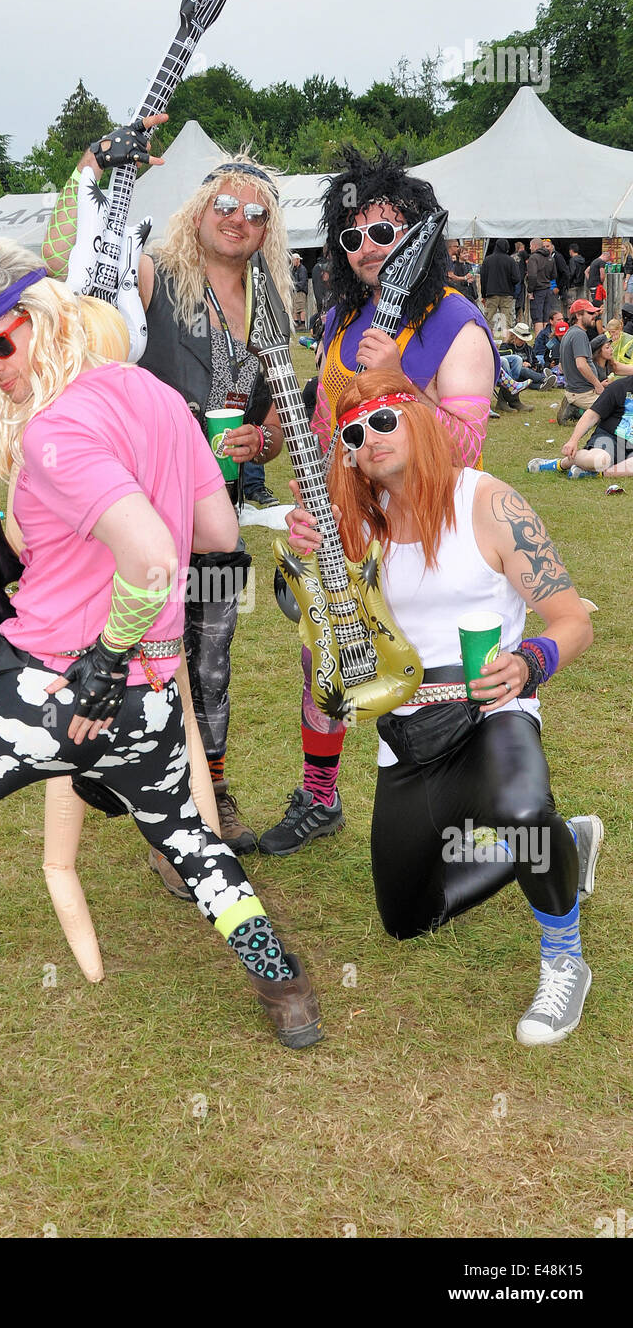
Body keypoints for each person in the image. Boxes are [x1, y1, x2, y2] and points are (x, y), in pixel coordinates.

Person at [0, 239, 323, 1108]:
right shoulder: (158, 400)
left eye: (1, 345)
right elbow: (217, 536)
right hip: (144, 705)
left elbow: (150, 555)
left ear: (45, 320)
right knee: (192, 845)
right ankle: (287, 989)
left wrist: (102, 663)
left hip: (44, 691)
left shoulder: (59, 429)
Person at [286, 365, 601, 1045]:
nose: (369, 438)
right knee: (406, 916)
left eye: (383, 419)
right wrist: (312, 565)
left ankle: (564, 957)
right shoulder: (356, 527)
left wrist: (529, 662)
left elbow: (573, 621)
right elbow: (328, 636)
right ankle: (564, 841)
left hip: (493, 713)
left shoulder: (488, 503)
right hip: (408, 734)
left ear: (419, 418)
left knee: (520, 813)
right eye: (352, 432)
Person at [45, 116, 292, 856]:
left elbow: (277, 418)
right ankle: (164, 808)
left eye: (257, 213)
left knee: (212, 660)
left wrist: (264, 440)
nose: (239, 219)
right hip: (141, 510)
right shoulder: (152, 273)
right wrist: (90, 168)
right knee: (150, 658)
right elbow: (69, 261)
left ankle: (211, 786)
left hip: (216, 514)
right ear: (198, 210)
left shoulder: (276, 303)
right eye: (226, 203)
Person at [259, 145, 499, 856]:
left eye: (385, 232)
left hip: (433, 534)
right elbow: (328, 427)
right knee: (325, 659)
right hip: (350, 535)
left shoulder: (454, 323)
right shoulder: (340, 321)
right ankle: (320, 796)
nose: (367, 248)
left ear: (419, 235)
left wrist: (402, 379)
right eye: (352, 235)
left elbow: (463, 447)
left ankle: (496, 821)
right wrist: (313, 481)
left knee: (435, 687)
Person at [528, 372, 633, 483]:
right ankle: (561, 464)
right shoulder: (620, 387)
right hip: (610, 440)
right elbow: (592, 415)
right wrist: (573, 440)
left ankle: (598, 474)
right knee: (599, 460)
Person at [558, 299, 604, 423]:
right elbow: (581, 365)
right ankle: (577, 409)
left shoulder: (569, 333)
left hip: (577, 390)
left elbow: (561, 367)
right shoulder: (579, 335)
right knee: (617, 413)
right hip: (583, 393)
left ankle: (574, 404)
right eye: (590, 313)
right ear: (578, 315)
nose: (594, 316)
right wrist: (598, 385)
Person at [479, 238, 518, 329]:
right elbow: (516, 278)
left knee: (488, 319)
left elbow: (483, 279)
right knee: (507, 321)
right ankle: (506, 341)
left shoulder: (487, 260)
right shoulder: (510, 261)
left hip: (491, 294)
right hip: (507, 294)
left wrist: (484, 295)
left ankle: (488, 340)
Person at [526, 238, 555, 330]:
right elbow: (554, 275)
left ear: (535, 246)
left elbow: (532, 276)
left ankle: (538, 341)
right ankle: (546, 340)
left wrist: (530, 290)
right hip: (548, 289)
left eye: (530, 246)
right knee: (546, 316)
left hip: (537, 290)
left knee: (537, 317)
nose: (530, 248)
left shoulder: (533, 258)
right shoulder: (550, 258)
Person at [291, 253, 309, 329]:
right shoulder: (294, 269)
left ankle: (302, 324)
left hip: (300, 291)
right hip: (295, 291)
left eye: (293, 260)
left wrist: (294, 286)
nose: (292, 262)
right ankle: (296, 324)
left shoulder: (302, 269)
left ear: (298, 260)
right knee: (294, 308)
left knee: (301, 308)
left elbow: (302, 282)